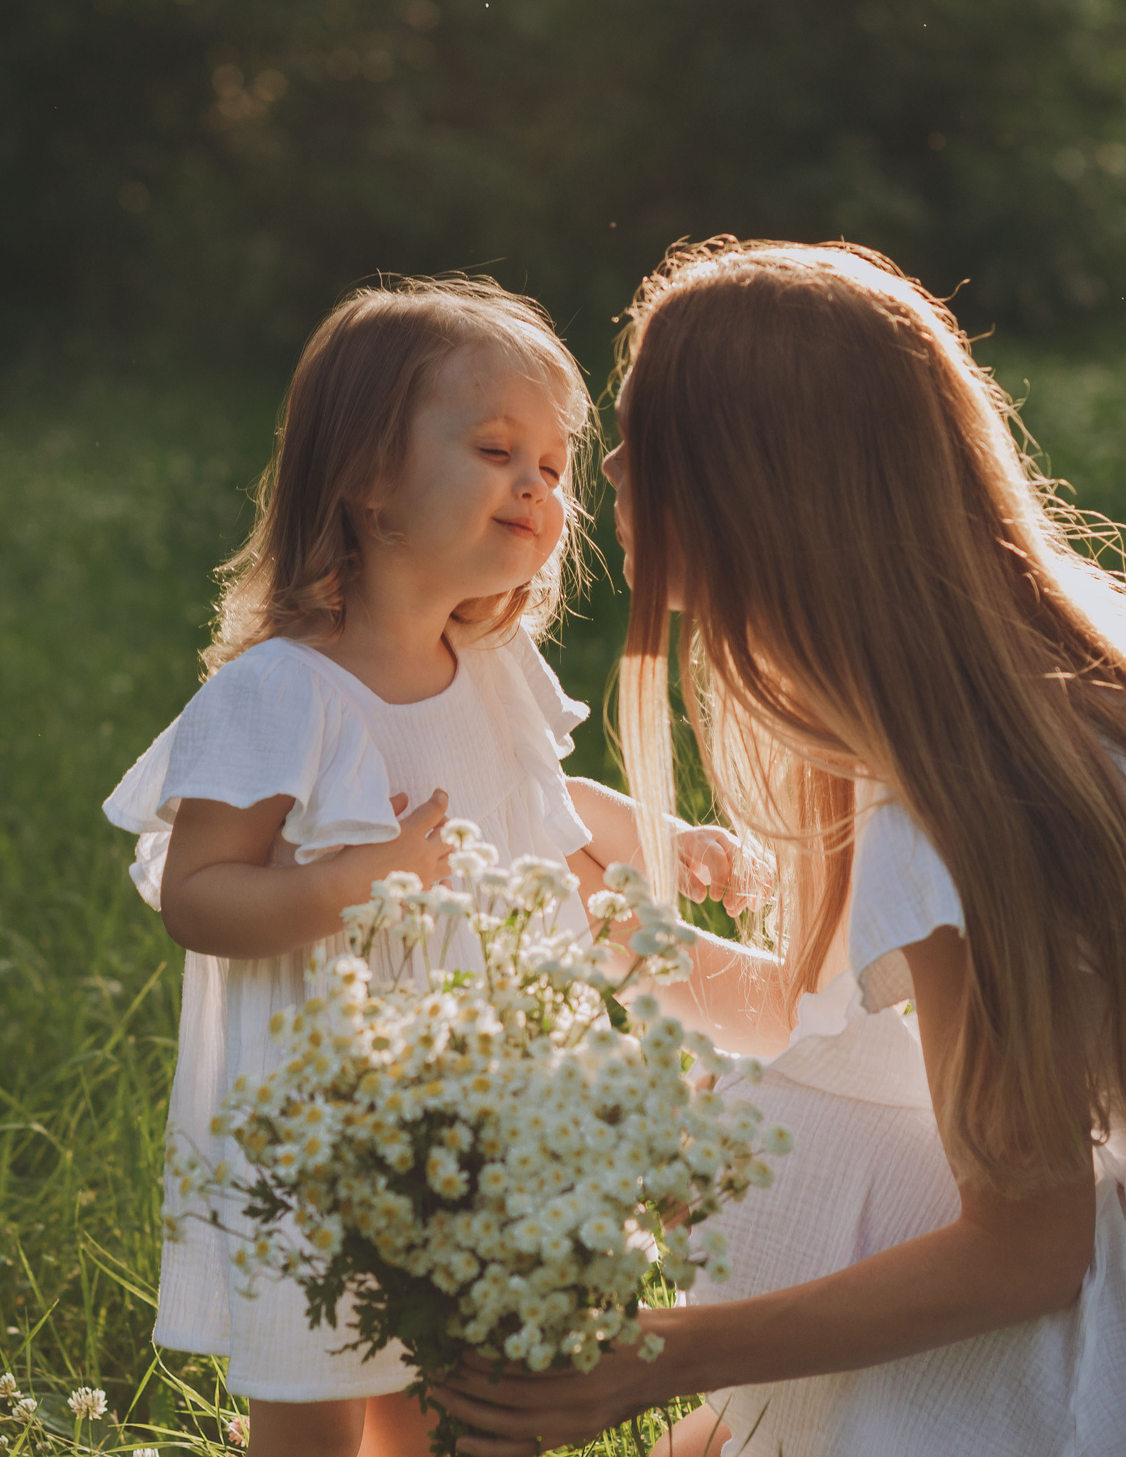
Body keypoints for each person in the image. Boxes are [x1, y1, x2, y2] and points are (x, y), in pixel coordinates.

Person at [434, 240, 1126, 1457]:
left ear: (753, 490)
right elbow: (809, 1018)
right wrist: (589, 913)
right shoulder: (998, 688)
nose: (614, 476)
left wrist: (661, 1355)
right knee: (803, 1097)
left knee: (785, 1145)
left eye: (650, 441)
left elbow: (1023, 1249)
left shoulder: (966, 796)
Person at [101, 277, 744, 1457]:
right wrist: (361, 878)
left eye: (553, 467)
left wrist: (655, 838)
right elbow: (198, 895)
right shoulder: (278, 692)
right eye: (497, 449)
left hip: (478, 1098)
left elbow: (544, 801)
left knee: (453, 1374)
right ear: (366, 475)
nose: (538, 487)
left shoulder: (487, 664)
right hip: (327, 1116)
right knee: (316, 1377)